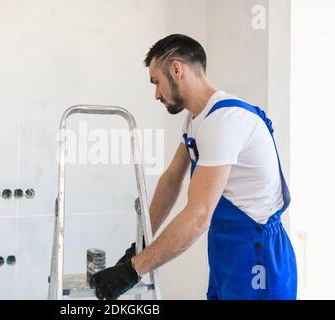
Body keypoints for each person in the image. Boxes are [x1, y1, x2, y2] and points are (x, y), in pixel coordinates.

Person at [89, 34, 297, 300]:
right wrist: (140, 244)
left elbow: (198, 216)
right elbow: (172, 179)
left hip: (258, 252)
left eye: (156, 82)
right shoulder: (196, 120)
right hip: (227, 249)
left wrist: (132, 271)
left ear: (176, 69)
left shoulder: (225, 121)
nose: (156, 94)